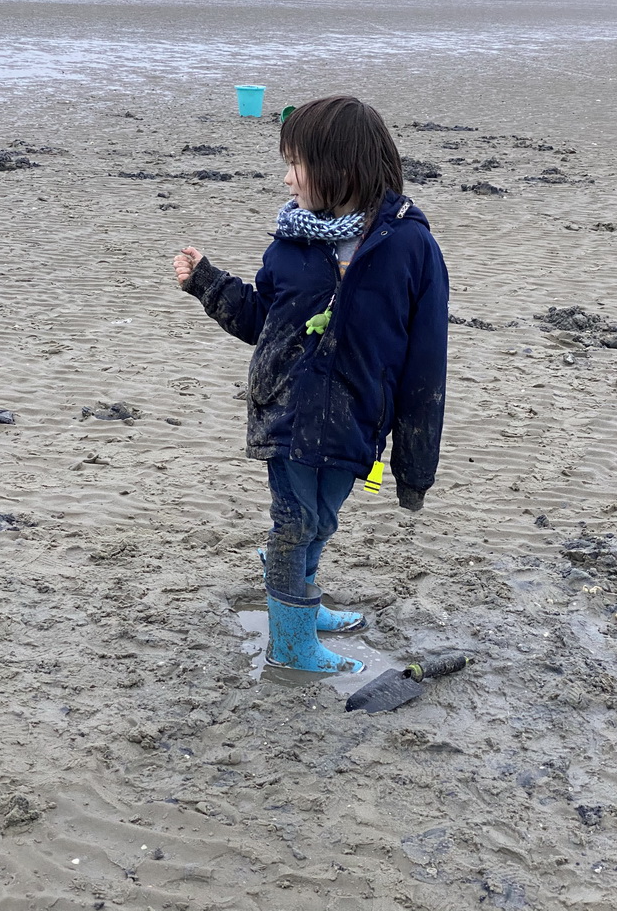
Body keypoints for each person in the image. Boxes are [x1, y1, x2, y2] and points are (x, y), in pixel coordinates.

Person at [173, 95, 448, 674]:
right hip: (287, 412)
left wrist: (414, 466)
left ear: (340, 170)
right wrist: (208, 283)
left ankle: (297, 591)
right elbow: (259, 321)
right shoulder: (288, 245)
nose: (286, 176)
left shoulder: (410, 248)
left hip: (357, 417)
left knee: (323, 517)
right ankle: (291, 641)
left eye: (296, 163)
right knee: (295, 522)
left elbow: (426, 364)